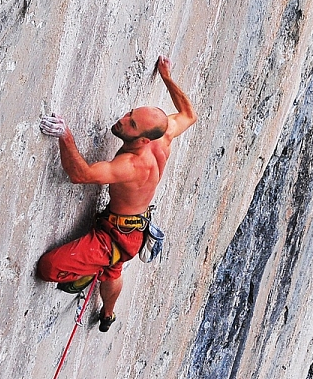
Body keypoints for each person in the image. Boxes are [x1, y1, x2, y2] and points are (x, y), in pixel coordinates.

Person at [36, 55, 196, 331]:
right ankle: (108, 314)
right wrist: (166, 77)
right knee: (114, 267)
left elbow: (81, 175)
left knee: (48, 268)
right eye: (130, 114)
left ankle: (89, 273)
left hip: (116, 236)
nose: (122, 120)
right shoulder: (163, 136)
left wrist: (66, 137)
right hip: (132, 229)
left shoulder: (130, 166)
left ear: (144, 140)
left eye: (131, 124)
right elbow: (188, 115)